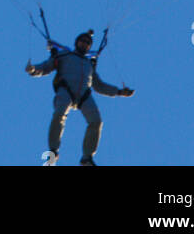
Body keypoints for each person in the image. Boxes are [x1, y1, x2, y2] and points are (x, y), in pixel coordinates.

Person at [26, 30, 134, 166]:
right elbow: (46, 67)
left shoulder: (89, 64)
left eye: (88, 43)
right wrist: (33, 70)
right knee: (59, 114)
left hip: (84, 95)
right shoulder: (64, 55)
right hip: (66, 90)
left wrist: (118, 92)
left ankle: (87, 158)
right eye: (82, 41)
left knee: (96, 122)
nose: (84, 44)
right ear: (76, 42)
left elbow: (99, 86)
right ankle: (53, 151)